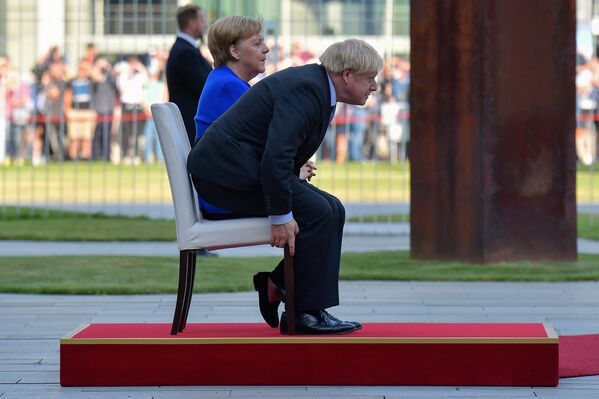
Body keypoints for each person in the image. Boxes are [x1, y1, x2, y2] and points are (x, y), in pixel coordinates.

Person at [187, 39, 382, 335]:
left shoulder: (316, 86)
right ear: (347, 74)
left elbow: (277, 154)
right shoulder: (309, 89)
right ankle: (302, 313)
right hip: (223, 180)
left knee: (333, 209)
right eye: (370, 78)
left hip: (240, 173)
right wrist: (280, 217)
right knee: (318, 212)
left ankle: (296, 297)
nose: (375, 87)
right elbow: (277, 156)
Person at [166, 4, 211, 144]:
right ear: (191, 23)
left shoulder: (185, 49)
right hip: (191, 125)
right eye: (202, 20)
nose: (205, 25)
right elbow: (204, 87)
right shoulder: (185, 52)